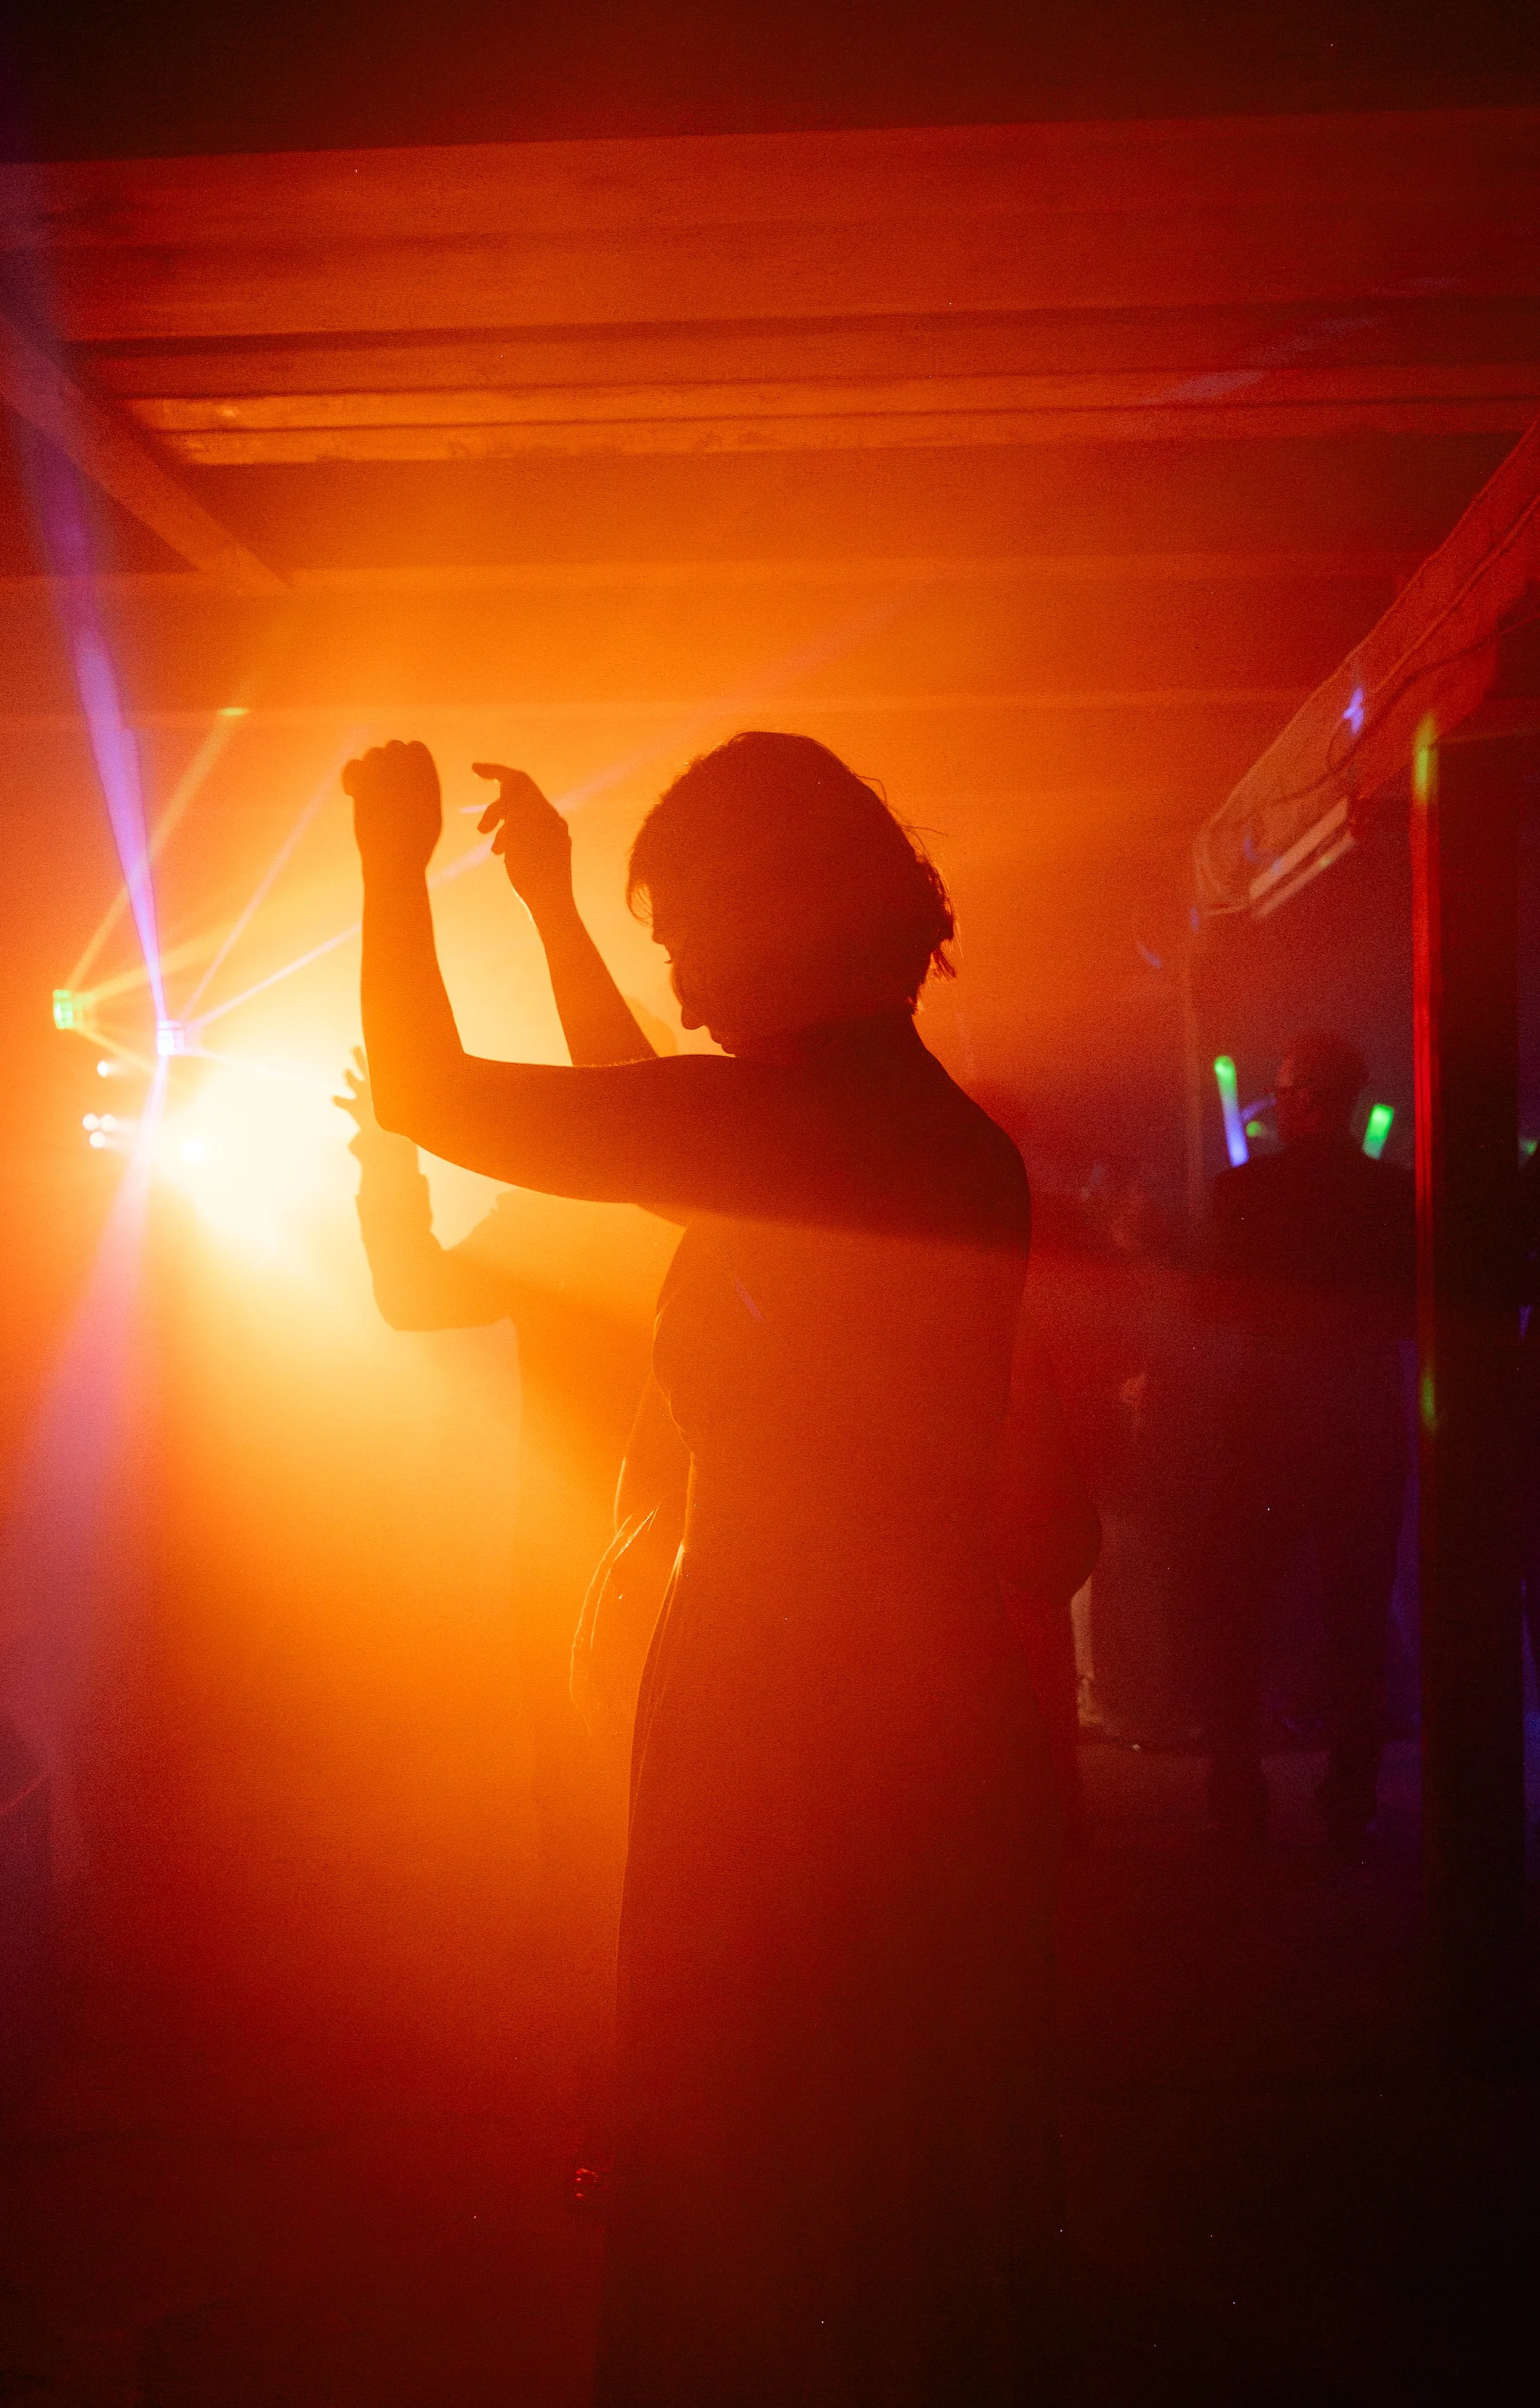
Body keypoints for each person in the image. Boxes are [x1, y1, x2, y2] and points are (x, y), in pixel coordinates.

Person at [346, 729, 1067, 2404]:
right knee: (900, 2147)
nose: (672, 969)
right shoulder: (909, 1125)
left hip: (783, 1709)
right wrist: (544, 898)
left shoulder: (797, 1127)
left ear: (771, 912)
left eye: (679, 923)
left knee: (762, 2145)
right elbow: (650, 1120)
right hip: (918, 1698)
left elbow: (446, 1096)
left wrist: (390, 861)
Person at [336, 771, 678, 2151]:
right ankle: (651, 2111)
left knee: (612, 1837)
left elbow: (415, 1295)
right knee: (639, 1843)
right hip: (638, 1552)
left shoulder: (595, 1216)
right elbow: (622, 1097)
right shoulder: (645, 1205)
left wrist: (385, 1160)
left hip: (608, 1559)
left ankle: (626, 2119)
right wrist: (545, 893)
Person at [1200, 1032, 1415, 1853]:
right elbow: (1405, 1312)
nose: (1277, 1102)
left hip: (1267, 1423)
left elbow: (1214, 1313)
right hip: (1360, 1420)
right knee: (1356, 1620)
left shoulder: (1243, 1194)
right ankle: (1349, 1796)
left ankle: (1234, 1787)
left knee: (1241, 1614)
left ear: (1306, 1098)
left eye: (1284, 1090)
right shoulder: (1394, 1199)